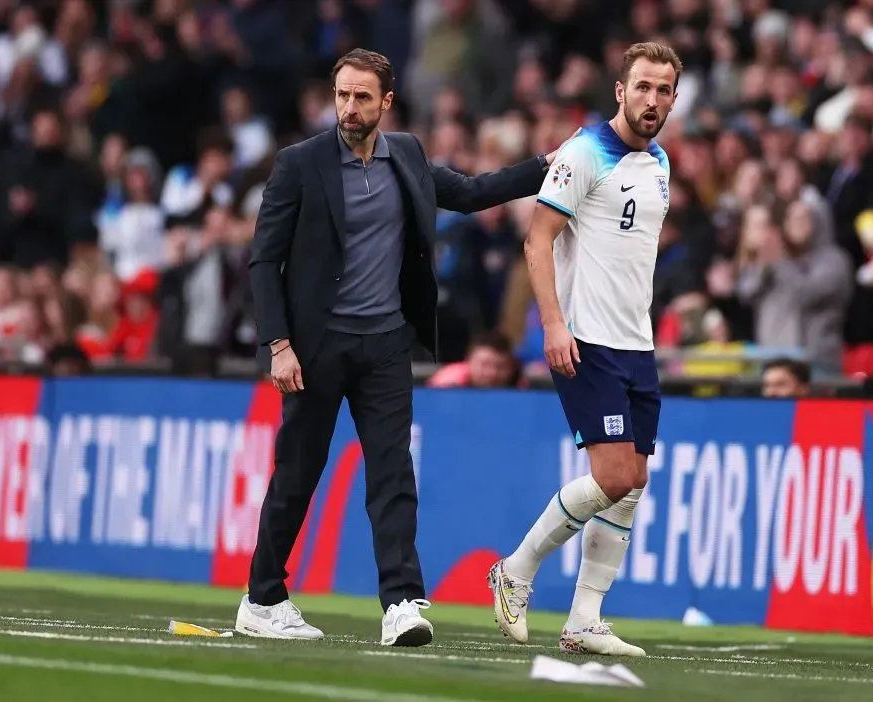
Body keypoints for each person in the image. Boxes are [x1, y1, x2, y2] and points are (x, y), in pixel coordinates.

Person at [240, 48, 559, 647]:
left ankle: (401, 604)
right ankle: (261, 598)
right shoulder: (299, 165)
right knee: (298, 475)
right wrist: (278, 344)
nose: (350, 107)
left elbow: (470, 193)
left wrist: (548, 166)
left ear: (386, 102)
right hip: (314, 347)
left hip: (386, 344)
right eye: (342, 95)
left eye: (362, 97)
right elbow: (264, 259)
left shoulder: (406, 155)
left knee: (393, 473)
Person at [487, 42, 680, 657]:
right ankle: (515, 569)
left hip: (636, 341)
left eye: (665, 90)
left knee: (635, 479)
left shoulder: (661, 166)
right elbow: (538, 241)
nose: (653, 100)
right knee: (614, 473)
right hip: (586, 338)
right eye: (643, 87)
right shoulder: (581, 153)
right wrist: (552, 324)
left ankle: (584, 620)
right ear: (620, 91)